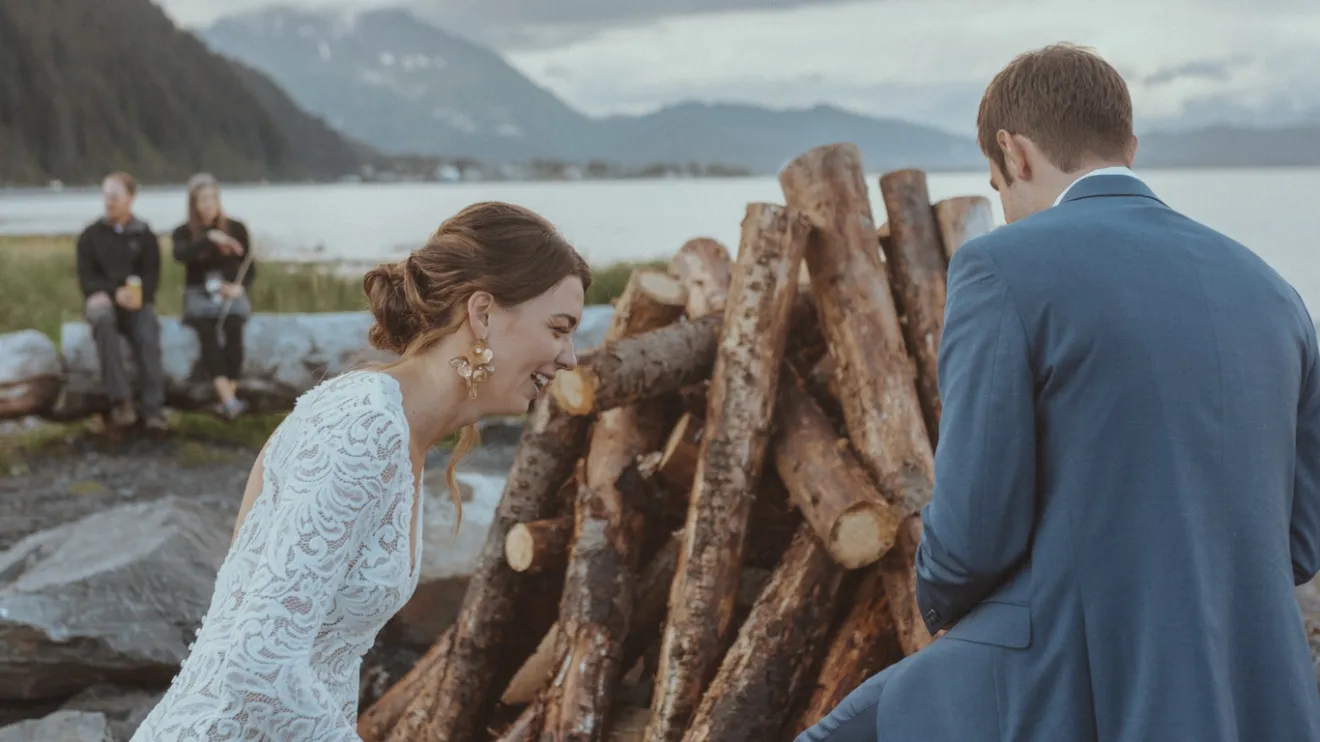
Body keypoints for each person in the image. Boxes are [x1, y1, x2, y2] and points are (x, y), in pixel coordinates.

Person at [795, 43, 1320, 742]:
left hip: (1071, 674)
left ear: (1014, 155)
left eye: (995, 187)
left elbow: (972, 535)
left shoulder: (1000, 266)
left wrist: (945, 608)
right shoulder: (1275, 293)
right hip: (1255, 687)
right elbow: (1300, 542)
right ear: (1128, 146)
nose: (1006, 206)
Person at [130, 201, 591, 741]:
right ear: (483, 313)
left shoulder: (404, 432)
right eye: (559, 329)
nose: (570, 359)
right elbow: (257, 663)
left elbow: (320, 664)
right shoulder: (363, 422)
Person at [76, 171, 168, 432]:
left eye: (115, 195)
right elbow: (86, 279)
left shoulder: (144, 235)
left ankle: (154, 409)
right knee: (102, 319)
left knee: (148, 331)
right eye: (105, 195)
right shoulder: (90, 235)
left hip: (137, 304)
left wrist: (139, 298)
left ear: (131, 198)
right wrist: (114, 292)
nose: (109, 201)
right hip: (104, 302)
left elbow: (152, 276)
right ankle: (121, 401)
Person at [172, 173, 256, 420]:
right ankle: (230, 400)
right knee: (207, 330)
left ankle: (228, 399)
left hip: (230, 291)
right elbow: (181, 255)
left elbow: (249, 267)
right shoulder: (183, 232)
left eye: (211, 199)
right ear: (194, 204)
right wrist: (209, 239)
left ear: (219, 200)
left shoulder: (237, 228)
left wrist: (239, 288)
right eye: (202, 200)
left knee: (234, 328)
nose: (208, 205)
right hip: (199, 293)